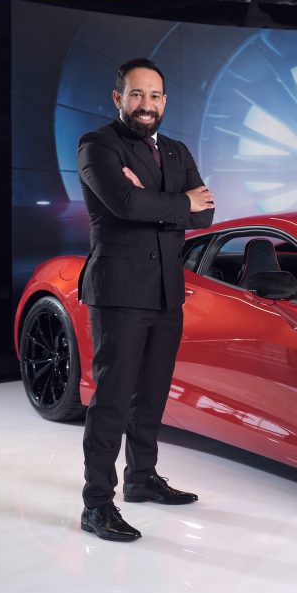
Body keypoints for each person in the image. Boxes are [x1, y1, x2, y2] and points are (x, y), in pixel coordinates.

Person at [75, 57, 215, 542]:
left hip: (166, 292)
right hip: (119, 291)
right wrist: (175, 203)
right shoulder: (97, 145)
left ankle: (141, 477)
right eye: (136, 94)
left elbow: (205, 214)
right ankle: (97, 503)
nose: (146, 104)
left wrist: (150, 200)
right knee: (112, 399)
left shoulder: (175, 151)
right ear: (118, 98)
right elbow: (123, 203)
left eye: (154, 96)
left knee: (152, 394)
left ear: (165, 101)